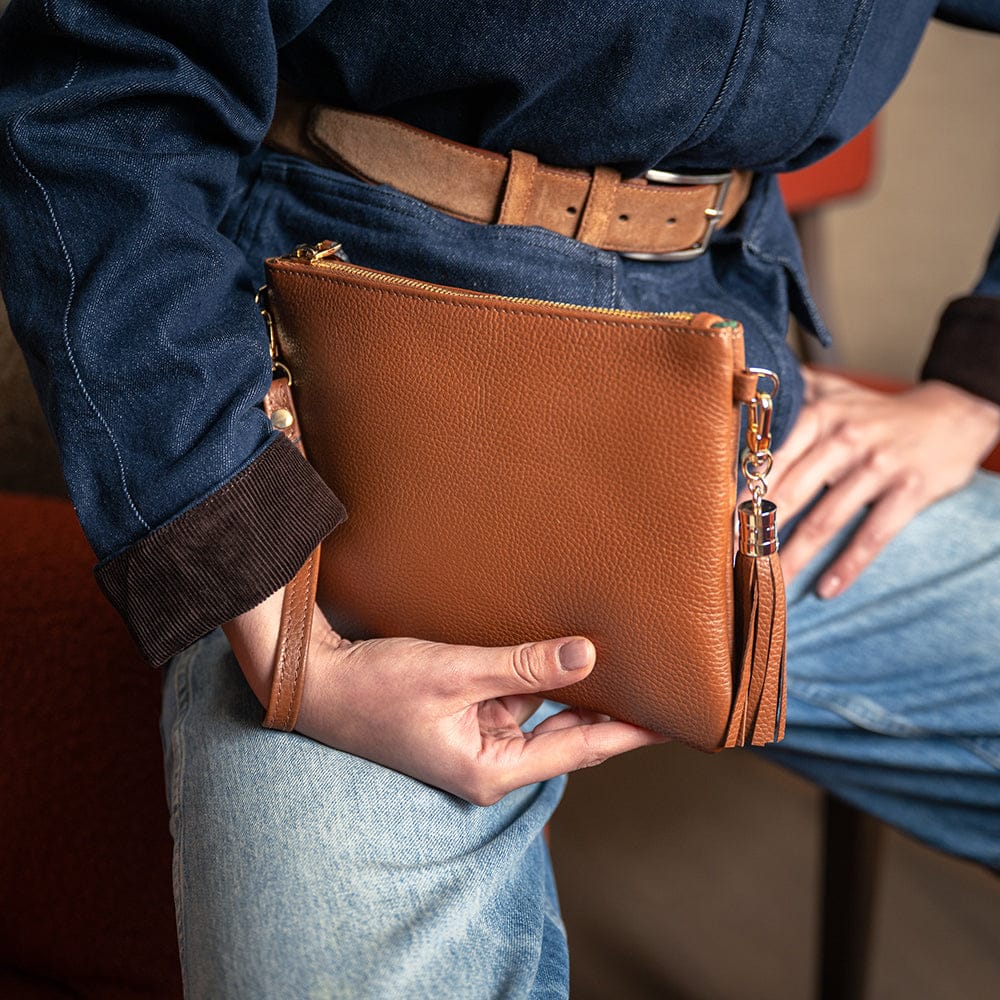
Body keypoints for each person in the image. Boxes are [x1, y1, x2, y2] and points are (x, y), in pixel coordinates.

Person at [1, 2, 998, 996]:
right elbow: (101, 89)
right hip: (339, 436)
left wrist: (975, 382)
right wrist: (273, 612)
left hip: (743, 432)